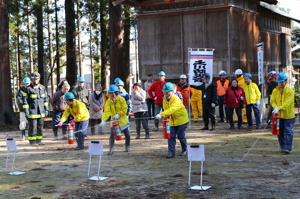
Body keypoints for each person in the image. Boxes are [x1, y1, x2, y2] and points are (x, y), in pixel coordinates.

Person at [155, 82, 189, 158]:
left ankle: (185, 149)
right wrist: (165, 115)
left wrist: (161, 114)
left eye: (168, 92)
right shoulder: (164, 98)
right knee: (171, 137)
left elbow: (172, 109)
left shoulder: (176, 100)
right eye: (164, 92)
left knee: (181, 136)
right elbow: (166, 109)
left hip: (182, 120)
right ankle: (171, 153)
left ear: (172, 91)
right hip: (172, 121)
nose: (166, 94)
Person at [101, 84, 131, 155]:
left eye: (112, 93)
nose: (111, 95)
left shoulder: (122, 99)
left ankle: (127, 147)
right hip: (114, 121)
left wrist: (119, 114)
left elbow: (125, 109)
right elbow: (106, 111)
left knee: (127, 134)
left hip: (123, 120)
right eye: (110, 93)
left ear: (116, 93)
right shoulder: (108, 101)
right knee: (112, 135)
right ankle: (111, 149)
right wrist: (103, 119)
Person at [270, 72, 295, 154]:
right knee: (279, 131)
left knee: (288, 131)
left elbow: (288, 103)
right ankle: (282, 146)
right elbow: (272, 100)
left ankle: (287, 147)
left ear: (286, 81)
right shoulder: (275, 91)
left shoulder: (290, 91)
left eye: (282, 81)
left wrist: (279, 107)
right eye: (279, 82)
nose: (280, 83)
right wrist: (275, 107)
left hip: (288, 116)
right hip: (279, 116)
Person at [22, 72, 49, 145]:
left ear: (39, 79)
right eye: (33, 79)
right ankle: (32, 142)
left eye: (36, 79)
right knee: (33, 128)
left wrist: (46, 109)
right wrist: (26, 112)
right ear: (31, 79)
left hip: (41, 112)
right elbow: (25, 102)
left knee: (40, 127)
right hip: (32, 112)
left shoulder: (43, 88)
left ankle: (39, 141)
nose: (35, 80)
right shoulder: (27, 89)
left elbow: (45, 99)